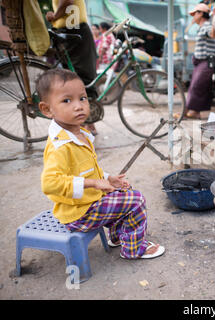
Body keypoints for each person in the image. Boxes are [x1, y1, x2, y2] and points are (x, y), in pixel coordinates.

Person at [37, 69, 165, 259]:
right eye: (67, 101)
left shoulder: (80, 133)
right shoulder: (60, 146)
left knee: (125, 191)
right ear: (47, 109)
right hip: (78, 213)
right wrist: (95, 184)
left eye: (82, 98)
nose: (79, 106)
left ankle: (118, 237)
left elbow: (87, 169)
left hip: (87, 203)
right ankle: (133, 249)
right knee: (136, 201)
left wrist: (107, 179)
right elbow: (50, 184)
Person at [46, 0, 99, 135]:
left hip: (66, 31)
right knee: (85, 78)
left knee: (72, 77)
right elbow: (67, 1)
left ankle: (84, 121)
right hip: (74, 31)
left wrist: (54, 16)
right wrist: (55, 16)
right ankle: (87, 122)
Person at [179, 3, 215, 119]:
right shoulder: (202, 27)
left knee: (196, 87)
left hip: (206, 62)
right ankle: (191, 112)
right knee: (197, 87)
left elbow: (213, 34)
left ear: (201, 14)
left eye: (194, 14)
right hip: (201, 63)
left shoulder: (207, 25)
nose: (193, 17)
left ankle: (190, 112)